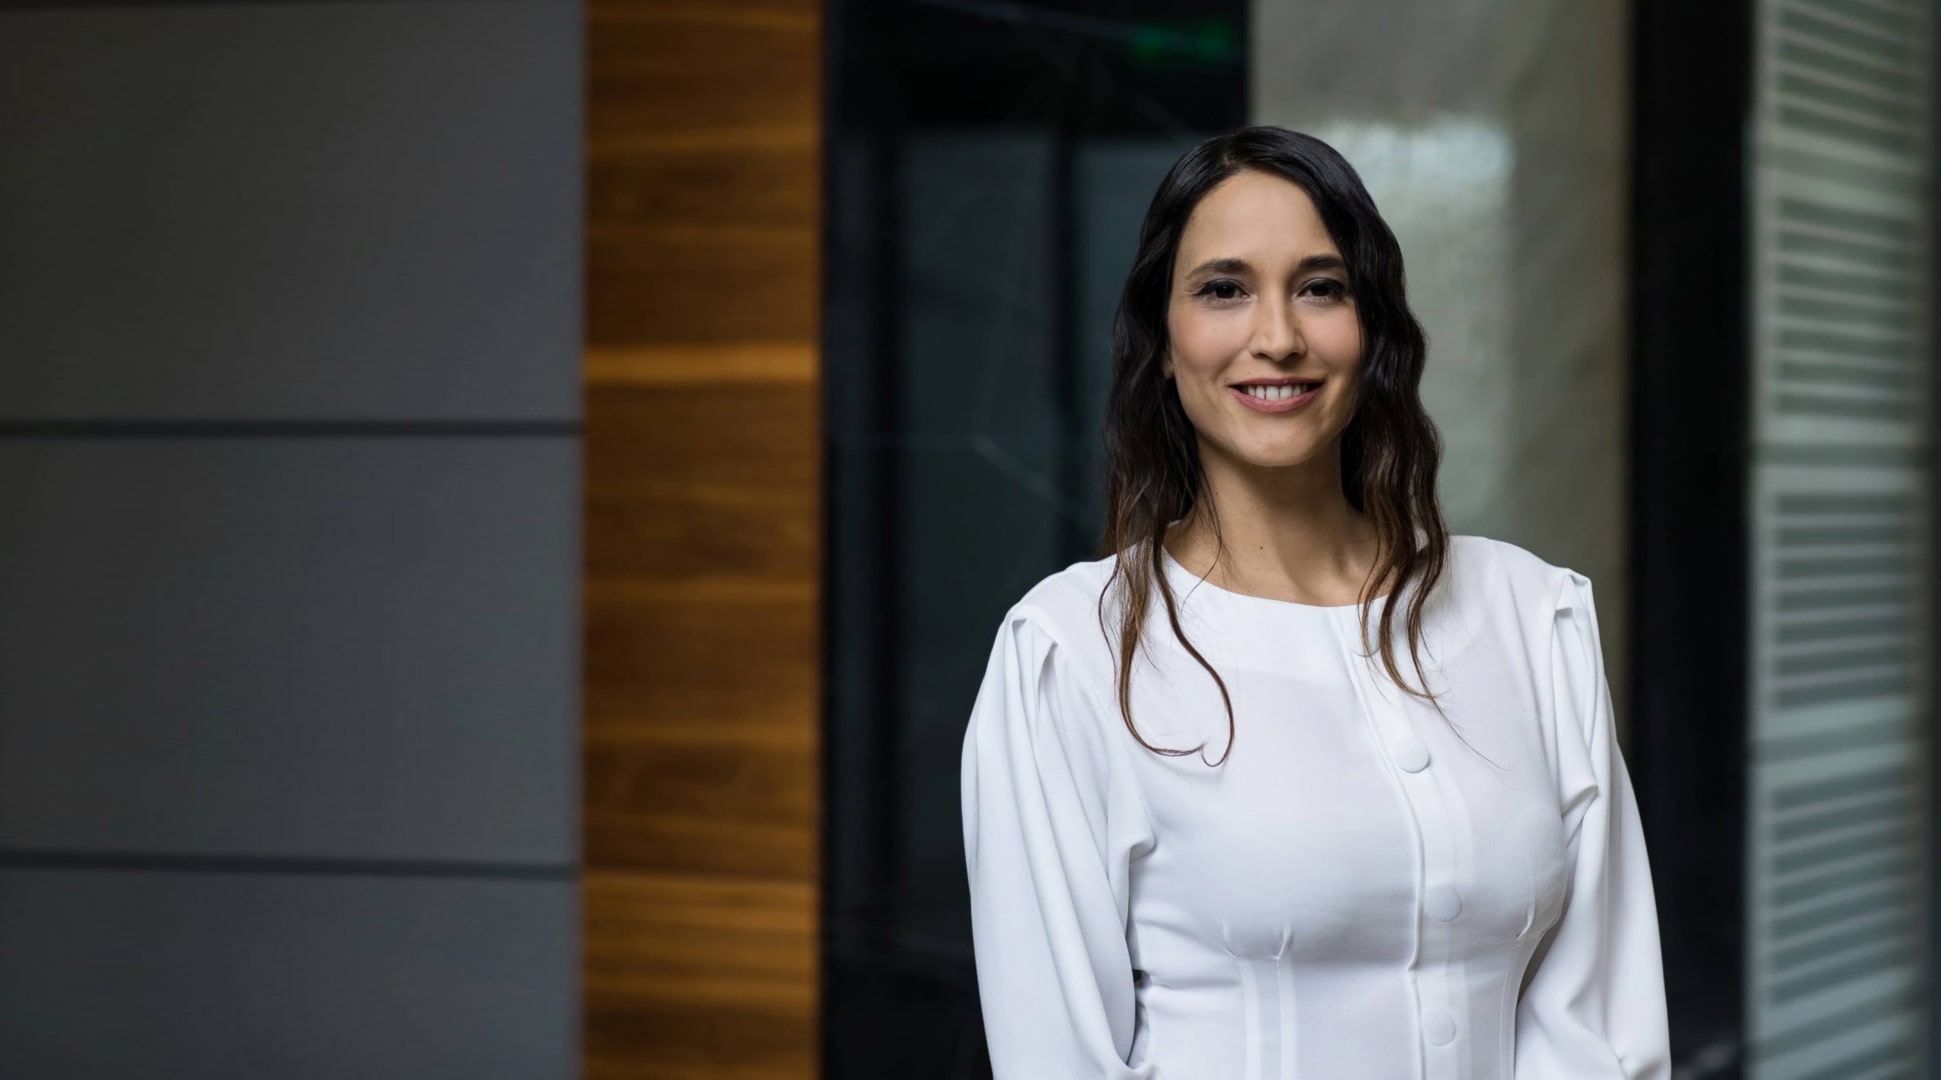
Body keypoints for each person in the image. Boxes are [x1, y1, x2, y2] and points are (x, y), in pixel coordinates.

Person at [958, 126, 1671, 1079]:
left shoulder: (1529, 615)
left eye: (1320, 287)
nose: (1278, 337)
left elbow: (1601, 1022)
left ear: (1370, 326)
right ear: (1162, 342)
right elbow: (1058, 1058)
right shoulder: (1069, 652)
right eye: (1223, 289)